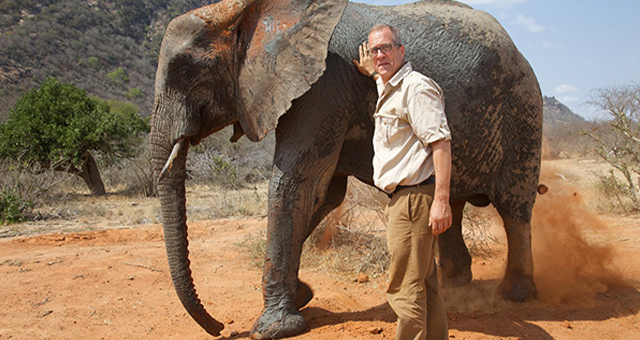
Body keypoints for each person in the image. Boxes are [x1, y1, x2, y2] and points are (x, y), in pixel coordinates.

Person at [354, 24, 453, 340]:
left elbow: (441, 143)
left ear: (402, 50)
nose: (380, 55)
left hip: (414, 201)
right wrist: (373, 72)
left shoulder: (415, 88)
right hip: (408, 200)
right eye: (374, 50)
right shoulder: (391, 86)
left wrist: (441, 200)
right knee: (424, 283)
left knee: (405, 289)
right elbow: (386, 84)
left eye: (386, 48)